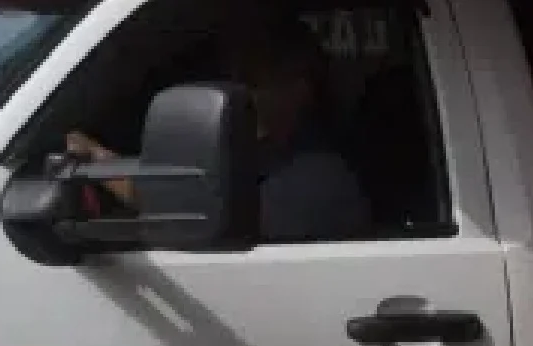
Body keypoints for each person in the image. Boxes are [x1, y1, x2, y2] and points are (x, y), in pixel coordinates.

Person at [67, 16, 371, 243]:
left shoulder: (317, 175)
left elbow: (191, 211)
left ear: (301, 90)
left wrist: (95, 159)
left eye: (251, 79)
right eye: (230, 77)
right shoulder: (264, 156)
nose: (233, 93)